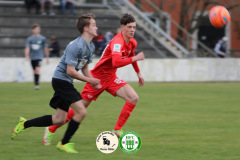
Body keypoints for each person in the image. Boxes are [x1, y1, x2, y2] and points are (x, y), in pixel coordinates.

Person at [42, 13, 145, 145]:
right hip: (97, 78)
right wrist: (136, 58)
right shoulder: (117, 42)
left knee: (133, 97)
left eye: (134, 27)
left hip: (111, 78)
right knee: (79, 110)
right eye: (129, 27)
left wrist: (138, 73)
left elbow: (130, 57)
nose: (132, 30)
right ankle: (50, 129)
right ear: (122, 27)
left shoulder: (132, 42)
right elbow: (116, 63)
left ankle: (118, 129)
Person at [11, 13, 101, 153]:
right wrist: (90, 80)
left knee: (59, 119)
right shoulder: (75, 46)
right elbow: (70, 71)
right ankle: (64, 143)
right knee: (81, 111)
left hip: (66, 82)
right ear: (86, 28)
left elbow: (84, 68)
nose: (97, 27)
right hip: (61, 81)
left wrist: (93, 82)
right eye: (94, 25)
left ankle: (24, 123)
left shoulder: (90, 46)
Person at [25, 24, 49, 90]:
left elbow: (45, 48)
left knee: (37, 69)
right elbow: (27, 48)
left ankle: (37, 85)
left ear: (39, 30)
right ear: (32, 30)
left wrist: (47, 57)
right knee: (34, 71)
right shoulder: (30, 39)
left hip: (39, 57)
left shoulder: (42, 38)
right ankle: (36, 83)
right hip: (32, 57)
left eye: (37, 29)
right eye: (35, 29)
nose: (36, 30)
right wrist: (27, 55)